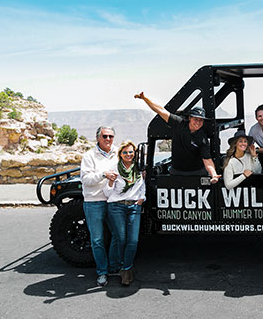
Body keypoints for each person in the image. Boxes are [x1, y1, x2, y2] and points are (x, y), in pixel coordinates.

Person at [134, 92, 220, 182]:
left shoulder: (202, 139)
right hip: (176, 172)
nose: (198, 122)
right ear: (190, 118)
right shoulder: (179, 124)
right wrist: (144, 98)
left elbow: (207, 160)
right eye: (196, 119)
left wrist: (213, 175)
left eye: (201, 120)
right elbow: (160, 110)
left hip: (196, 173)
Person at [80, 126, 120, 287]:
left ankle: (113, 266)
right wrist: (103, 174)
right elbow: (86, 179)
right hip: (93, 201)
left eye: (111, 136)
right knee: (97, 239)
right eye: (105, 136)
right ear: (98, 138)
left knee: (118, 234)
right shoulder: (89, 156)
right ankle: (102, 272)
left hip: (113, 200)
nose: (108, 139)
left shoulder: (118, 153)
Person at [103, 141, 145, 287]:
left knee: (133, 241)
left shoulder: (138, 170)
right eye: (125, 152)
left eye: (131, 152)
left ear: (135, 153)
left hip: (134, 206)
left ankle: (126, 267)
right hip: (117, 207)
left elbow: (142, 186)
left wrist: (141, 199)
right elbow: (107, 193)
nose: (129, 155)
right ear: (120, 154)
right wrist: (109, 181)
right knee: (121, 239)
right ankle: (125, 270)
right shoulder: (114, 169)